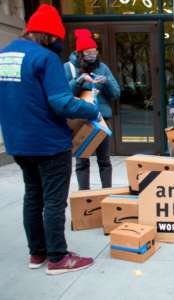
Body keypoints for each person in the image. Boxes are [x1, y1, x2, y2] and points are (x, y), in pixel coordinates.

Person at [0, 4, 98, 275]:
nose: (59, 44)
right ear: (49, 36)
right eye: (58, 38)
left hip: (18, 142)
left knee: (33, 196)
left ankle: (37, 253)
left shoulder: (4, 55)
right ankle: (58, 257)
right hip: (48, 142)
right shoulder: (45, 58)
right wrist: (91, 109)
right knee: (54, 201)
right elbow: (61, 102)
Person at [64, 29, 120, 190]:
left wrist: (106, 81)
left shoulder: (102, 68)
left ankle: (107, 193)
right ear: (80, 53)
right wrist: (79, 80)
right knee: (82, 160)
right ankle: (84, 196)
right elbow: (64, 94)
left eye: (94, 51)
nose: (92, 55)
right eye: (88, 52)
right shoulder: (69, 68)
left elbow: (116, 93)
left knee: (104, 160)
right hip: (79, 120)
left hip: (101, 119)